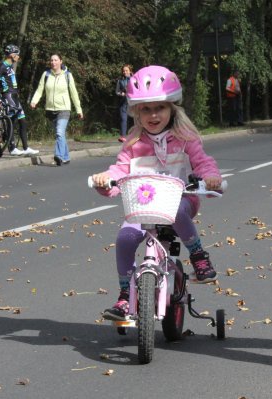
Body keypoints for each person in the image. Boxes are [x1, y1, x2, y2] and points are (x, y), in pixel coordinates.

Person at [90, 65, 222, 320]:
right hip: (142, 205)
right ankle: (124, 294)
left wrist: (211, 178)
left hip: (180, 201)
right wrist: (106, 180)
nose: (153, 115)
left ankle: (199, 256)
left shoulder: (185, 137)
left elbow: (203, 162)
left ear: (172, 107)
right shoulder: (133, 142)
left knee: (177, 211)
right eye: (146, 109)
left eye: (159, 107)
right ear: (136, 112)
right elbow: (120, 170)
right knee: (125, 238)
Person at [31, 54, 84, 166]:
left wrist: (79, 110)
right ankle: (66, 157)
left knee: (59, 132)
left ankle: (58, 156)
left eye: (56, 60)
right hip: (50, 110)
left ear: (61, 61)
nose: (53, 62)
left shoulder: (68, 76)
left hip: (64, 109)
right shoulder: (46, 74)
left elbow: (74, 94)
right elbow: (40, 90)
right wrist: (34, 101)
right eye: (51, 60)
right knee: (60, 134)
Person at [0, 44, 39, 156]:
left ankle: (26, 147)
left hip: (15, 96)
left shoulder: (10, 67)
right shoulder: (2, 67)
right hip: (8, 96)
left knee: (22, 121)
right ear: (12, 55)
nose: (18, 57)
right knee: (11, 122)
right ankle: (12, 148)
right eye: (17, 55)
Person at [115, 64, 133, 142]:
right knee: (123, 119)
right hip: (123, 102)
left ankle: (138, 135)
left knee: (135, 119)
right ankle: (123, 136)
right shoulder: (120, 80)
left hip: (133, 102)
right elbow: (117, 91)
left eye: (126, 70)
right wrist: (120, 94)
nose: (124, 72)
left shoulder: (134, 79)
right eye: (123, 71)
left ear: (130, 71)